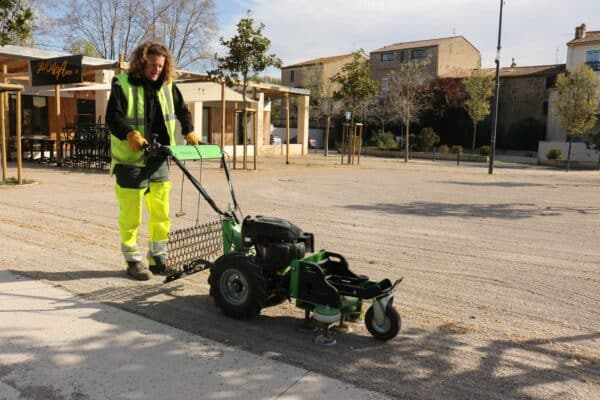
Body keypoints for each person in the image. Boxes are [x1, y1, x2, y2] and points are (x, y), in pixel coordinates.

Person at [106, 42, 199, 280]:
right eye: (153, 65)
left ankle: (158, 259)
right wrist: (129, 134)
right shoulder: (122, 84)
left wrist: (188, 131)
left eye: (161, 66)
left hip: (158, 157)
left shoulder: (168, 86)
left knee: (161, 212)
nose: (157, 70)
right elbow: (112, 117)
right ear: (142, 62)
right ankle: (133, 260)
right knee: (131, 215)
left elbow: (182, 111)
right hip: (130, 160)